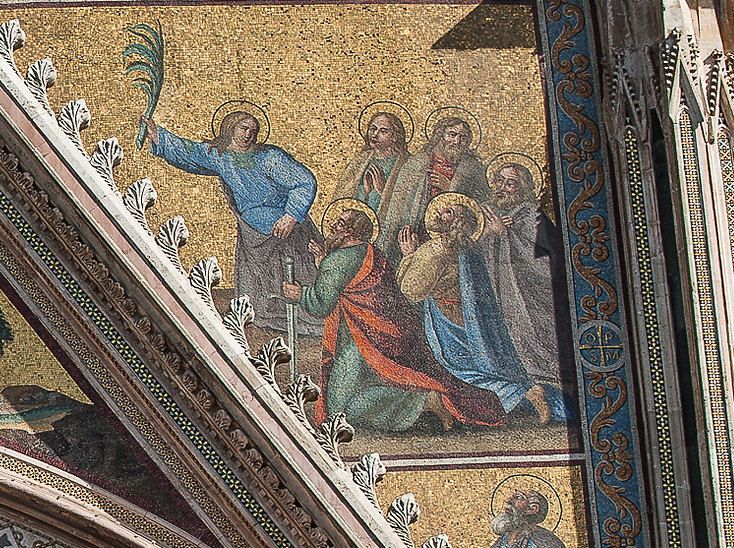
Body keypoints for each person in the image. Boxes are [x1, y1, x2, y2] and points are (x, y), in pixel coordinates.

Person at [287, 203, 495, 433]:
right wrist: (322, 265)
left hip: (362, 344)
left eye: (341, 223)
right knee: (350, 397)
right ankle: (422, 401)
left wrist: (300, 294)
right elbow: (348, 285)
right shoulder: (372, 253)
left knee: (338, 411)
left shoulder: (336, 262)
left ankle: (423, 402)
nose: (333, 226)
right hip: (389, 337)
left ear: (351, 233)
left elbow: (320, 305)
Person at [139, 106, 320, 320]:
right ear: (231, 128)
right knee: (257, 277)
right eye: (244, 128)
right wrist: (157, 135)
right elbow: (190, 152)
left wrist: (290, 216)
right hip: (253, 231)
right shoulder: (220, 155)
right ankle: (262, 315)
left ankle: (309, 311)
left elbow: (305, 181)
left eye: (253, 131)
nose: (248, 135)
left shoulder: (269, 157)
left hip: (287, 226)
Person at [396, 193, 560, 421]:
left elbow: (411, 290)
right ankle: (526, 394)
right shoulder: (470, 246)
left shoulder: (438, 248)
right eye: (442, 210)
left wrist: (409, 255)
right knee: (476, 369)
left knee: (461, 371)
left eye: (447, 212)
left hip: (449, 325)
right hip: (475, 323)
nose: (440, 214)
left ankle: (527, 393)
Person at [478, 157, 567, 391]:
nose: (501, 188)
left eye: (510, 183)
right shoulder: (486, 214)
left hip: (532, 303)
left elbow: (549, 264)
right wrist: (488, 233)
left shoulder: (534, 217)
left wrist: (504, 235)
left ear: (524, 188)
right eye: (499, 181)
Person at [382, 110, 490, 260]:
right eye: (452, 135)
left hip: (454, 238)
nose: (457, 141)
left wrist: (450, 188)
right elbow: (398, 205)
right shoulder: (416, 163)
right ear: (440, 135)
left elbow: (482, 204)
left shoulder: (472, 169)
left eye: (463, 138)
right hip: (416, 234)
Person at [334, 108, 411, 230]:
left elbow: (410, 207)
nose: (375, 135)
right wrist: (364, 191)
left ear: (395, 137)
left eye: (383, 131)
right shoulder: (359, 162)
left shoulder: (407, 165)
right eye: (373, 129)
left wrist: (382, 191)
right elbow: (342, 199)